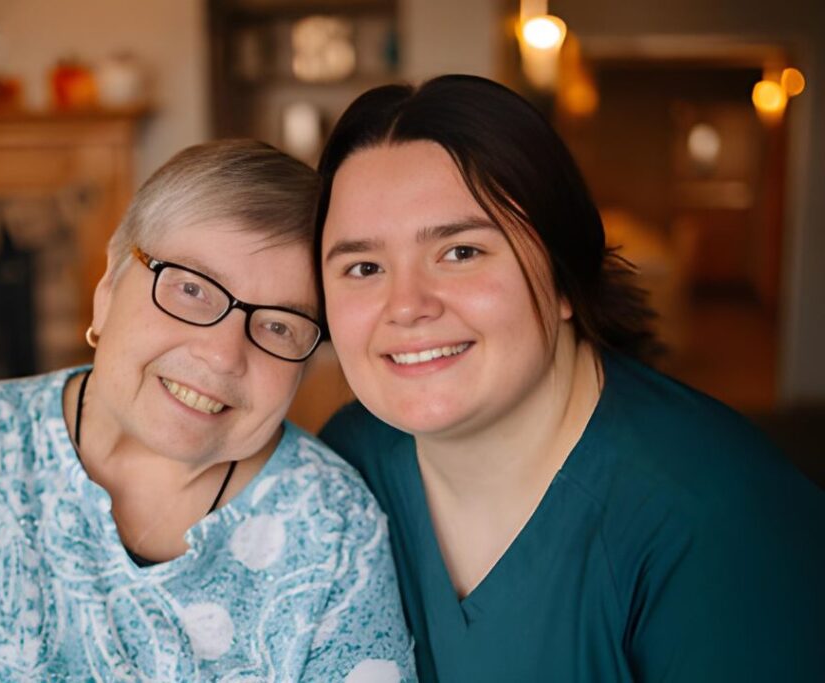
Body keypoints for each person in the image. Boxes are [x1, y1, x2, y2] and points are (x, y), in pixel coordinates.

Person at [0, 139, 415, 681]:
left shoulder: (334, 528)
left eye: (279, 326)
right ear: (106, 293)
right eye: (191, 288)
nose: (223, 355)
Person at [315, 74, 824, 682]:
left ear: (563, 276)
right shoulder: (348, 465)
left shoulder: (722, 524)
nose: (407, 305)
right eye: (364, 266)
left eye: (460, 253)